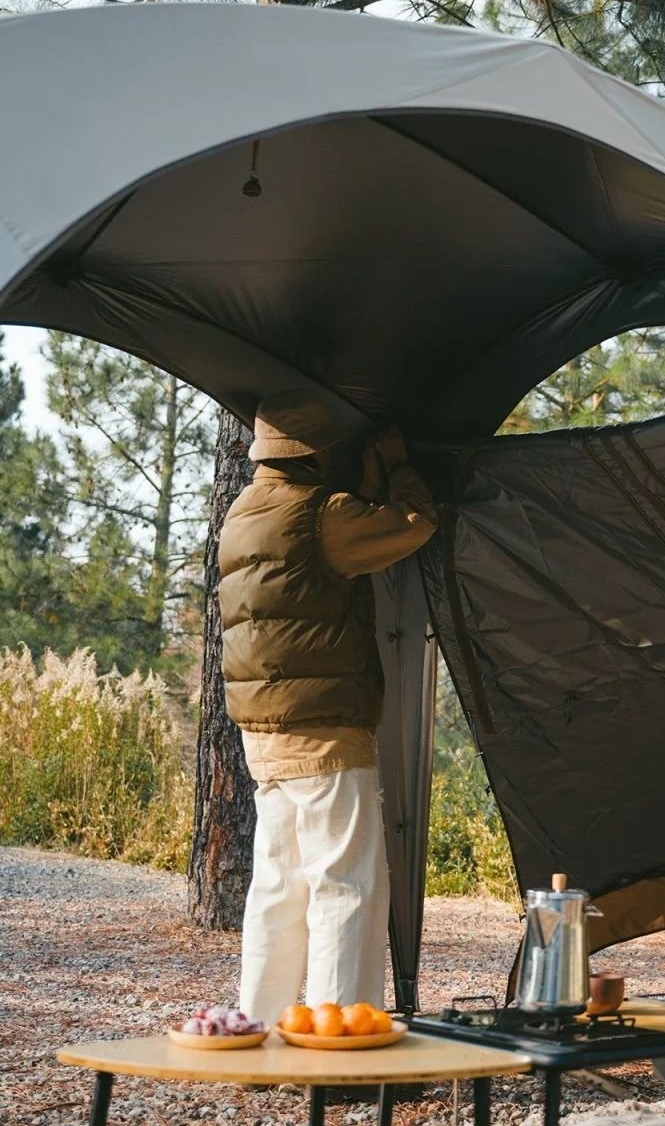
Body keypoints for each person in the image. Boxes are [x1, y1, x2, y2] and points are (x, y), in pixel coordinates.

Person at [218, 388, 437, 1028]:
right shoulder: (320, 513)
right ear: (319, 453)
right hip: (326, 732)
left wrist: (359, 489)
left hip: (263, 732)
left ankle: (259, 1026)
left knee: (279, 888)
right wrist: (397, 468)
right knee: (347, 886)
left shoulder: (242, 513)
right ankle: (340, 1039)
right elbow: (413, 523)